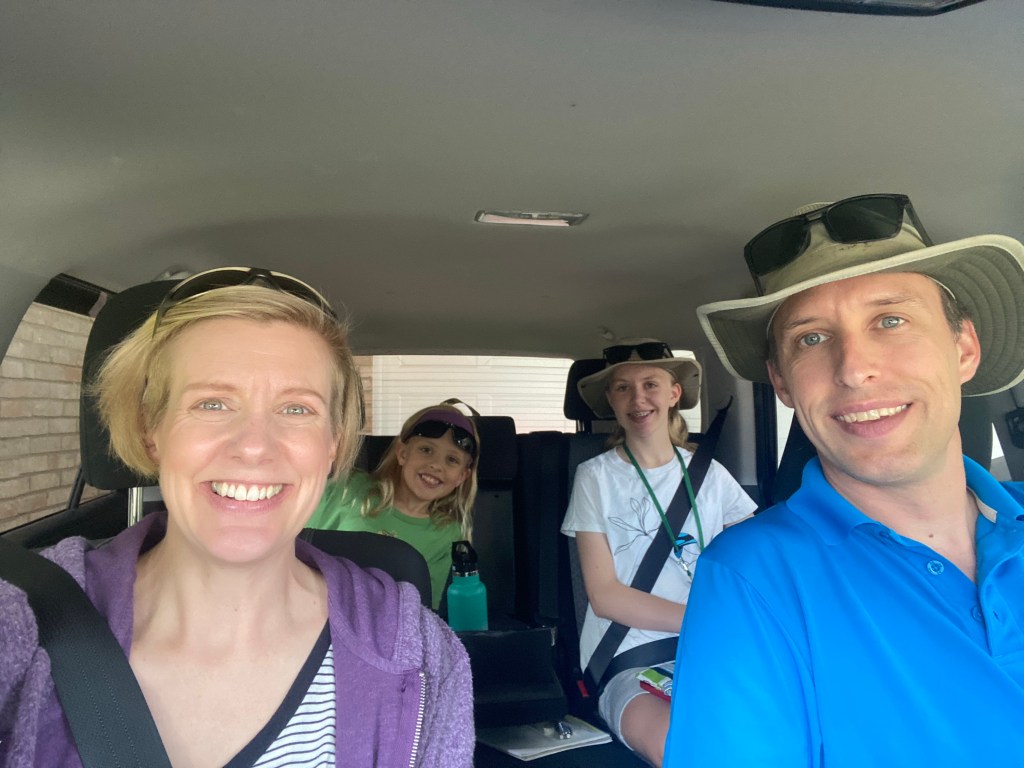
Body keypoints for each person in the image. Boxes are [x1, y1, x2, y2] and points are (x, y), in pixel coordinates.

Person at [0, 267, 474, 768]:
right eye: (213, 403)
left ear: (333, 443)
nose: (253, 446)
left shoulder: (424, 658)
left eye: (297, 409)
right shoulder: (24, 621)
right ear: (151, 429)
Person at [664, 194, 1024, 767]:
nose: (854, 369)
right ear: (783, 384)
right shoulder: (753, 575)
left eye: (891, 320)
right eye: (811, 338)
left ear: (964, 349)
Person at [560, 338, 757, 767]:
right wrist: (702, 620)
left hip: (715, 646)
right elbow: (605, 596)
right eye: (623, 388)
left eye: (651, 384)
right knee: (683, 748)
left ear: (674, 394)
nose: (638, 398)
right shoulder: (594, 477)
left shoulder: (712, 475)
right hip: (632, 655)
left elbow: (755, 562)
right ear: (611, 401)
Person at [307, 402, 479, 610]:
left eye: (452, 460)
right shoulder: (345, 489)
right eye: (426, 450)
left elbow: (422, 608)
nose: (436, 465)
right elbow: (290, 547)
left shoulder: (446, 532)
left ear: (462, 477)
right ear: (402, 453)